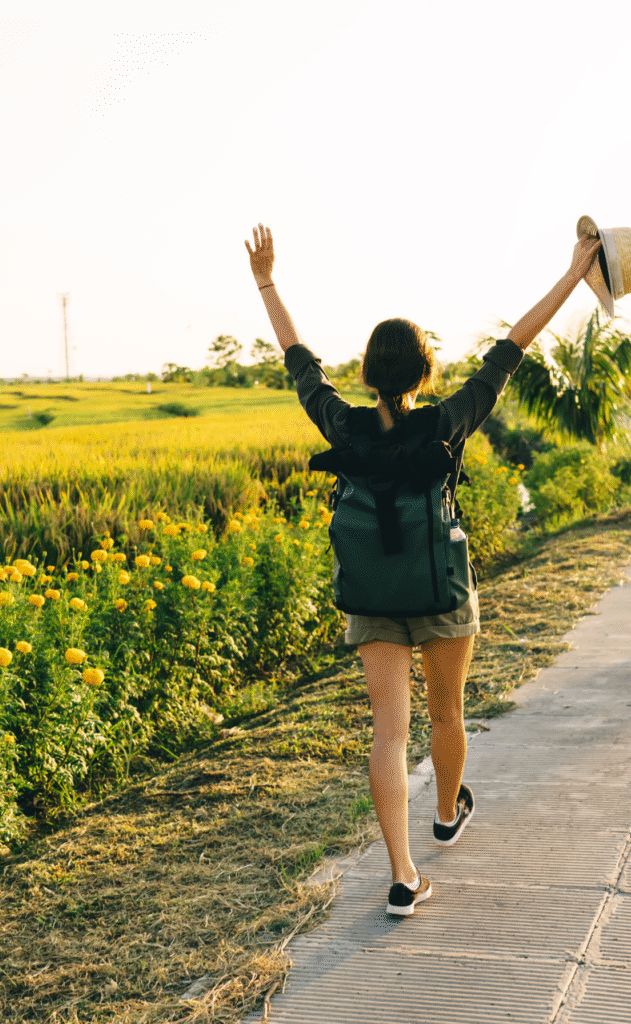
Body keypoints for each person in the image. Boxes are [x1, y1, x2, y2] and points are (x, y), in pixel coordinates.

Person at [245, 223, 602, 915]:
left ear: (368, 375)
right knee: (447, 714)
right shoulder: (448, 419)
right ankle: (445, 812)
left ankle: (403, 876)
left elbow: (298, 359)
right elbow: (514, 347)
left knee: (389, 732)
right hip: (442, 594)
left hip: (373, 597)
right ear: (423, 373)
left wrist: (265, 278)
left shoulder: (341, 425)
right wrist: (573, 274)